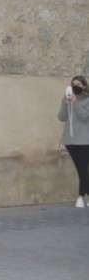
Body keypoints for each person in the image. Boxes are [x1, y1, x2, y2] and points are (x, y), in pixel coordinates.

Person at [58, 75, 89, 208]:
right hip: (70, 140)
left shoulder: (87, 100)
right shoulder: (69, 99)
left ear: (84, 86)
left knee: (83, 169)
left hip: (84, 139)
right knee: (81, 170)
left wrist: (76, 102)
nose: (76, 86)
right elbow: (61, 117)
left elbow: (85, 117)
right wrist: (64, 104)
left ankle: (80, 197)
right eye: (73, 84)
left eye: (79, 84)